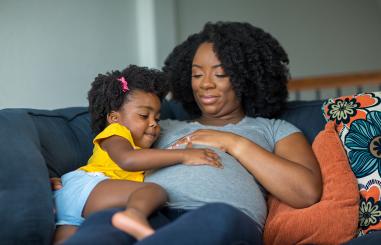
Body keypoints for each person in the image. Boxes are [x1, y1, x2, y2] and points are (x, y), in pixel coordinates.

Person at [55, 21, 322, 245]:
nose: (205, 84)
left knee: (218, 217)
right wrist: (62, 183)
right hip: (148, 210)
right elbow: (113, 159)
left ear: (246, 77)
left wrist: (232, 143)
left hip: (219, 217)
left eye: (219, 74)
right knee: (105, 222)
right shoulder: (159, 125)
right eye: (196, 75)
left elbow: (305, 192)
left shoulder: (274, 129)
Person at [53, 65, 222, 244]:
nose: (153, 124)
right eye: (143, 116)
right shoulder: (116, 133)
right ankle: (134, 214)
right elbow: (128, 160)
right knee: (153, 191)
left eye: (156, 119)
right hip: (87, 186)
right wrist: (184, 156)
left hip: (75, 209)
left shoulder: (138, 146)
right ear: (114, 118)